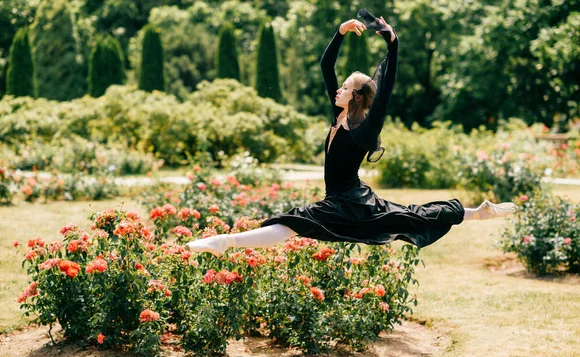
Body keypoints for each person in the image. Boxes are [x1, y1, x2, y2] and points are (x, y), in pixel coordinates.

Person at [184, 14, 517, 258]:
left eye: (345, 87)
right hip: (353, 201)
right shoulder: (339, 114)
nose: (338, 88)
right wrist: (340, 32)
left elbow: (384, 92)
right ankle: (477, 212)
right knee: (410, 215)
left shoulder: (363, 129)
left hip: (349, 204)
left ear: (356, 96)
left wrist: (393, 44)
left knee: (299, 222)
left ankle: (224, 243)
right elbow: (326, 66)